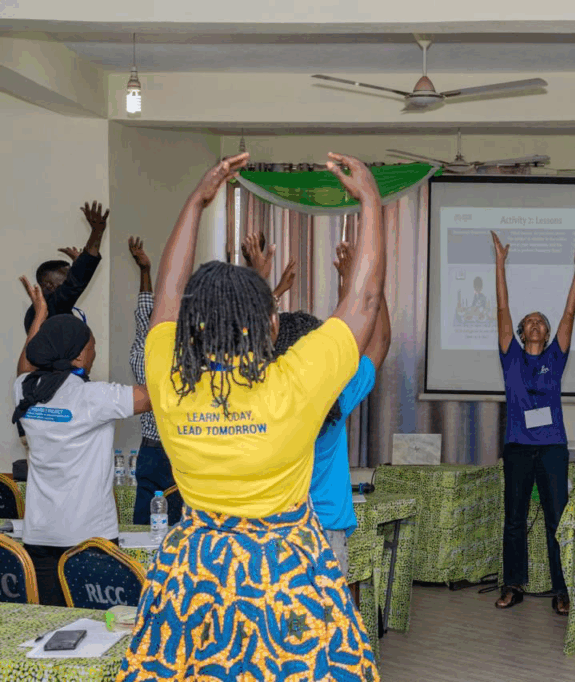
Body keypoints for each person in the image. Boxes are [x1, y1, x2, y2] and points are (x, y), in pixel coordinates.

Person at [118, 151, 382, 681]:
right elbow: (365, 300)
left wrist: (195, 200)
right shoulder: (296, 382)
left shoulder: (170, 380)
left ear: (189, 327)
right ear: (269, 326)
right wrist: (371, 202)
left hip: (195, 577)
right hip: (288, 578)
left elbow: (167, 293)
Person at [14, 278, 150, 606]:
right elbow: (150, 397)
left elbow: (26, 365)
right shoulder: (93, 397)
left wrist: (39, 318)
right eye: (91, 345)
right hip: (90, 542)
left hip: (40, 538)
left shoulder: (26, 391)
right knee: (98, 626)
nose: (94, 351)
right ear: (76, 357)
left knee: (50, 622)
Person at [272, 241, 391, 576]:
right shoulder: (335, 398)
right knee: (325, 625)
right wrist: (366, 283)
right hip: (326, 531)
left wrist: (270, 288)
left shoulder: (266, 403)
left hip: (278, 531)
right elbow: (378, 341)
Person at [491, 229, 575, 615]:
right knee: (514, 521)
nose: (534, 324)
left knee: (556, 521)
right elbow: (502, 310)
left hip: (551, 448)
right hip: (517, 448)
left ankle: (561, 590)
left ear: (548, 335)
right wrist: (499, 265)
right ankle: (512, 584)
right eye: (528, 322)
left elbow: (570, 312)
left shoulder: (556, 357)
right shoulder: (511, 358)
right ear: (520, 333)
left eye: (540, 323)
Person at [127, 236, 182, 526]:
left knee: (145, 524)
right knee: (177, 525)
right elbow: (144, 314)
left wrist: (145, 271)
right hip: (177, 449)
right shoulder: (184, 359)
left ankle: (143, 569)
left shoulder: (142, 352)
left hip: (151, 450)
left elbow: (143, 315)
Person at [23, 201, 109, 333]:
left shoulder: (44, 308)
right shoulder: (49, 307)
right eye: (66, 277)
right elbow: (74, 283)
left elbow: (74, 282)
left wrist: (78, 264)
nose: (69, 280)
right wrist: (97, 233)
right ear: (50, 285)